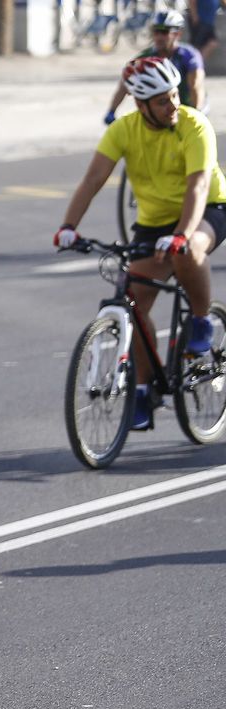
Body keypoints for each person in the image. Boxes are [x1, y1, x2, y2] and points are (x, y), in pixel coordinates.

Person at [57, 56, 223, 430]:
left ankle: (200, 321)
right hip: (153, 222)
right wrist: (68, 226)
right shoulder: (124, 131)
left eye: (174, 95)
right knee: (133, 304)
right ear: (140, 104)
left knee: (188, 250)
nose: (173, 105)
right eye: (163, 101)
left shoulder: (195, 125)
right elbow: (93, 180)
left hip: (207, 209)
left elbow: (198, 187)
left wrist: (182, 234)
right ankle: (146, 388)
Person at [105, 10, 205, 124]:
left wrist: (197, 113)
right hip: (161, 110)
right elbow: (125, 84)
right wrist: (112, 110)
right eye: (156, 31)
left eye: (164, 32)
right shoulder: (145, 57)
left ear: (177, 34)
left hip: (188, 106)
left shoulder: (190, 55)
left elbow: (196, 86)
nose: (159, 36)